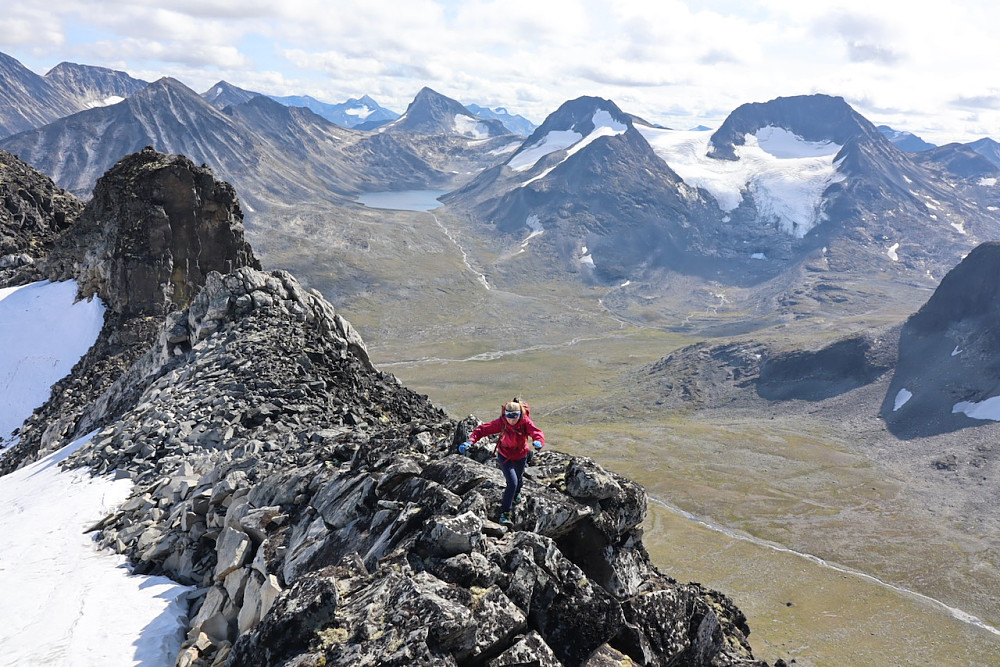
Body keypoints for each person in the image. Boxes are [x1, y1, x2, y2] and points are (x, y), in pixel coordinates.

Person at [459, 398, 544, 526]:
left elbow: (536, 432)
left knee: (519, 480)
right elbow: (482, 430)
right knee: (512, 482)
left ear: (520, 415)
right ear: (505, 414)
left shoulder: (525, 422)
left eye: (514, 416)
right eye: (508, 416)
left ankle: (517, 492)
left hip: (520, 455)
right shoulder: (502, 422)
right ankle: (505, 514)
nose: (511, 419)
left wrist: (539, 442)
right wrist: (470, 441)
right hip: (505, 455)